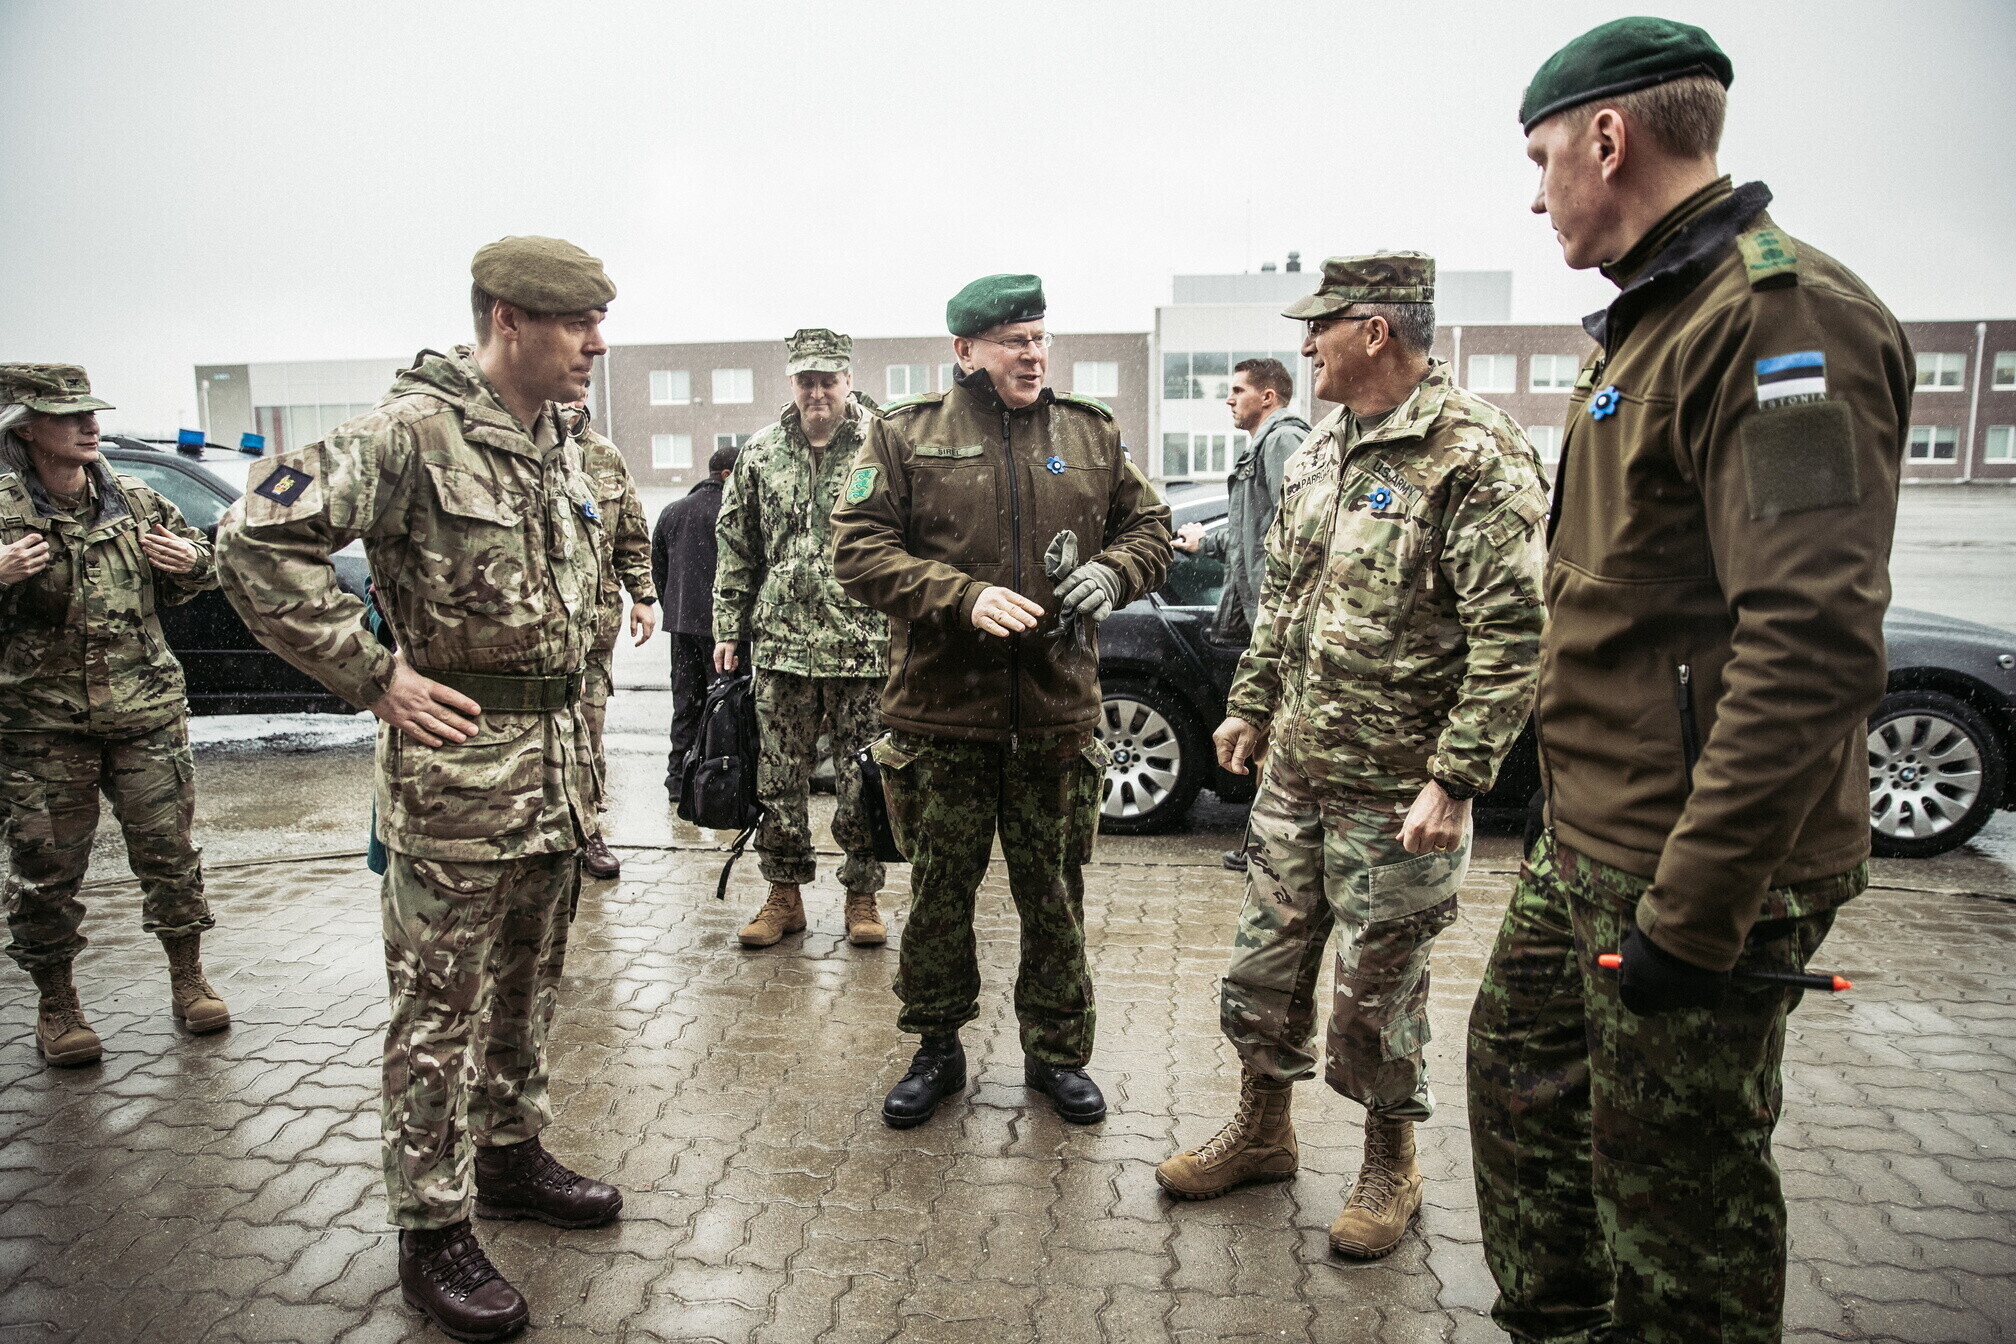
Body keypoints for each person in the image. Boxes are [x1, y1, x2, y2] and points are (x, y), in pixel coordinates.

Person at [1466, 20, 1911, 1343]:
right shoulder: (1657, 317)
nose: (1536, 193)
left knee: (1678, 1196)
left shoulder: (1780, 326)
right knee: (1522, 1079)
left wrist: (1700, 911)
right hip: (1592, 834)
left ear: (1609, 138)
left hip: (1691, 863)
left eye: (1541, 159)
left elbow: (1812, 641)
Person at [216, 237, 629, 1343]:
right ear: (506, 320)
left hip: (554, 776)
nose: (596, 344)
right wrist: (373, 675)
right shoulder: (408, 433)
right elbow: (253, 536)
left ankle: (509, 1154)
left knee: (529, 987)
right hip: (455, 785)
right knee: (438, 1012)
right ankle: (432, 1227)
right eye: (576, 323)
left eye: (600, 321)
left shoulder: (562, 442)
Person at [1153, 255, 1547, 1261]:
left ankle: (1390, 1163)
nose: (1303, 346)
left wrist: (1456, 780)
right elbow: (1285, 594)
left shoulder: (1474, 453)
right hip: (1297, 771)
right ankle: (1263, 1132)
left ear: (1374, 331)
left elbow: (1513, 635)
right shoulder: (1321, 449)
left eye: (1318, 327)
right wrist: (1250, 706)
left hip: (1398, 789)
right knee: (1266, 966)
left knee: (1379, 989)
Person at [832, 275, 1170, 1128]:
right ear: (966, 350)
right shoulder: (907, 435)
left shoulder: (1088, 433)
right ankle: (936, 1048)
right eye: (1014, 340)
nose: (1033, 354)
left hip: (1055, 717)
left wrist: (1115, 571)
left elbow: (1151, 529)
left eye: (1041, 337)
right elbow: (858, 550)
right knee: (939, 895)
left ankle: (1057, 1054)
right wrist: (962, 596)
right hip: (941, 718)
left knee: (1054, 896)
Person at [0, 364, 228, 1068]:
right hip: (41, 724)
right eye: (68, 416)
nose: (89, 425)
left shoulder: (134, 500)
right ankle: (57, 1004)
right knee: (45, 870)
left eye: (91, 412)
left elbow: (206, 568)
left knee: (170, 855)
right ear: (26, 428)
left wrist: (189, 561)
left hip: (145, 711)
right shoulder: (3, 515)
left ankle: (188, 978)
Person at [713, 329, 891, 948]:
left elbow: (912, 540)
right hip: (781, 643)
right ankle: (783, 895)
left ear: (847, 379)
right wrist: (728, 626)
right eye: (806, 380)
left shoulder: (882, 445)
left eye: (828, 380)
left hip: (863, 643)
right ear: (792, 382)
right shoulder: (761, 453)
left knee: (861, 776)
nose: (817, 392)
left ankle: (862, 894)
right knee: (778, 774)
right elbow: (736, 543)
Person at [1171, 356, 1310, 872]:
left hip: (1281, 619)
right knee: (1268, 734)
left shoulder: (1283, 441)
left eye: (1238, 390)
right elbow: (1252, 535)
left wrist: (1284, 608)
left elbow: (1300, 528)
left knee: (1278, 737)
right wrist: (1205, 542)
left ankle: (1275, 852)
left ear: (1267, 396)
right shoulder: (1263, 446)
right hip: (1264, 618)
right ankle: (1269, 847)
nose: (1228, 399)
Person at [575, 401, 658, 880]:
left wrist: (642, 596)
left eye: (583, 388)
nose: (573, 399)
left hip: (593, 628)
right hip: (526, 631)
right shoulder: (516, 448)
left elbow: (631, 535)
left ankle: (588, 831)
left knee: (588, 731)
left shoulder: (605, 456)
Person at [653, 441, 740, 803]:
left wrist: (674, 608)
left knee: (685, 705)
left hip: (682, 625)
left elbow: (658, 568)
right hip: (726, 631)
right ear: (727, 475)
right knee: (727, 706)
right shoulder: (734, 512)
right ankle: (723, 784)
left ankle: (678, 781)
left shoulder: (673, 511)